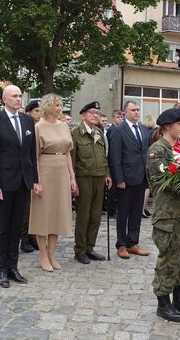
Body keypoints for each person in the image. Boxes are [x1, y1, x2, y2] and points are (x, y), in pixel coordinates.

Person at [146, 108, 180, 323]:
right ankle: (163, 302)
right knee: (169, 258)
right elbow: (160, 182)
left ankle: (179, 298)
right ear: (168, 126)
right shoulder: (157, 150)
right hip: (169, 215)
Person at [0, 84, 40, 288]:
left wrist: (34, 179)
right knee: (2, 228)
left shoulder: (27, 120)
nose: (19, 99)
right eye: (14, 96)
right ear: (4, 99)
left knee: (17, 227)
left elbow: (30, 154)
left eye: (20, 95)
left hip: (23, 182)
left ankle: (13, 266)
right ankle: (1, 269)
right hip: (4, 183)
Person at [30, 94, 77, 271]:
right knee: (43, 215)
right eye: (56, 105)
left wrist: (72, 177)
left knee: (57, 214)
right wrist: (37, 181)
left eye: (61, 105)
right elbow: (34, 157)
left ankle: (52, 253)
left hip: (61, 172)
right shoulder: (38, 127)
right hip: (45, 170)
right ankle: (42, 254)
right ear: (48, 106)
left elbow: (67, 154)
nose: (59, 108)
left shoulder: (64, 126)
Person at [108, 100, 151, 259]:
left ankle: (133, 242)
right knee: (123, 213)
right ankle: (121, 245)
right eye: (133, 110)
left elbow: (145, 153)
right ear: (125, 112)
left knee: (136, 213)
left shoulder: (143, 130)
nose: (137, 112)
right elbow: (115, 157)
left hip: (141, 177)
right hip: (125, 179)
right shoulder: (118, 130)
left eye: (138, 109)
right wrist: (119, 178)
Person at [71, 101, 112, 265]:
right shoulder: (76, 133)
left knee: (95, 215)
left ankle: (90, 247)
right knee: (83, 215)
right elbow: (72, 160)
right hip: (84, 177)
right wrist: (72, 181)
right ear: (83, 115)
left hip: (99, 177)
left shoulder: (99, 133)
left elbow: (103, 156)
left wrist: (107, 174)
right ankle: (80, 249)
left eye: (97, 113)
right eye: (92, 113)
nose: (96, 115)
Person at [20, 99, 41, 253]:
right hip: (25, 172)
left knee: (36, 207)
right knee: (26, 208)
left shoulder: (40, 127)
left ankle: (33, 236)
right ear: (29, 112)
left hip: (39, 170)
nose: (39, 114)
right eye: (36, 111)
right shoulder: (24, 126)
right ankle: (24, 238)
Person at [106, 109, 125, 218]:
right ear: (113, 118)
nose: (120, 119)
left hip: (119, 163)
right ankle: (111, 209)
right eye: (118, 117)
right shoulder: (113, 130)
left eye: (122, 117)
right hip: (113, 163)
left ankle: (114, 207)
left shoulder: (121, 129)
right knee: (113, 188)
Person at [141, 115, 157, 219]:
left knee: (145, 185)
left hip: (142, 159)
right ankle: (142, 209)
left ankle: (145, 208)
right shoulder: (154, 133)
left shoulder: (142, 132)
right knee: (147, 186)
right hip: (150, 159)